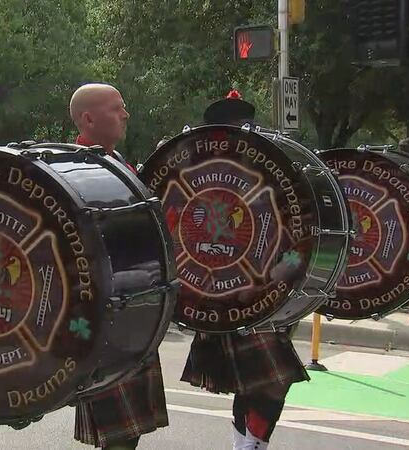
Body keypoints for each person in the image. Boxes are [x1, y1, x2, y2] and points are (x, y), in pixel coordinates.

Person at [180, 90, 309, 450]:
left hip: (267, 287)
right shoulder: (197, 172)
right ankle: (249, 446)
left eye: (244, 125)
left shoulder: (268, 171)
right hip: (219, 291)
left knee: (254, 382)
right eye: (234, 126)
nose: (242, 132)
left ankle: (248, 446)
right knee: (272, 379)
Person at [69, 83, 169, 450]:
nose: (125, 115)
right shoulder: (73, 170)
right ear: (88, 119)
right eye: (116, 109)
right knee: (119, 436)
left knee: (129, 434)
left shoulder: (117, 163)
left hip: (135, 306)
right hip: (107, 314)